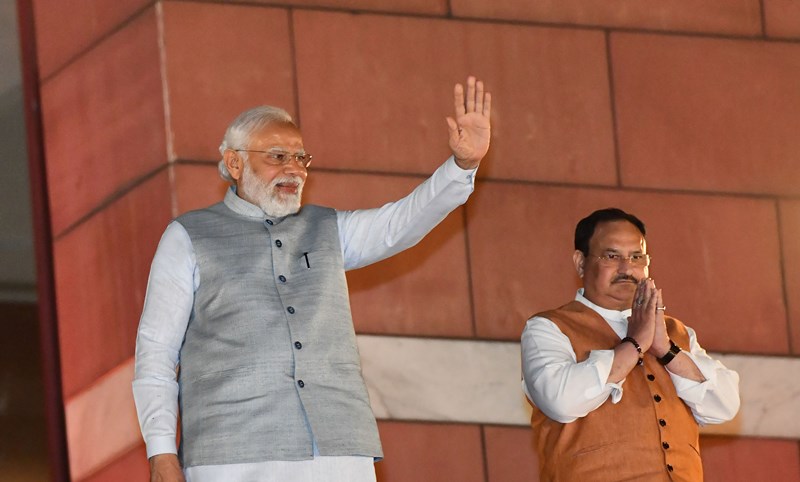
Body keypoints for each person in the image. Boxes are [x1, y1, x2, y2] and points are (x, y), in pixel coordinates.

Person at [133, 77, 491, 482]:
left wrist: (462, 166)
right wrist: (161, 454)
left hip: (339, 453)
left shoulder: (328, 228)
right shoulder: (187, 236)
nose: (294, 169)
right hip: (232, 455)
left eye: (301, 158)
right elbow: (156, 354)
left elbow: (400, 223)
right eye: (278, 156)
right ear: (235, 163)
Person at [521, 208, 740, 482]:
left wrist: (666, 350)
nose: (627, 269)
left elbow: (725, 407)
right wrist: (635, 343)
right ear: (580, 263)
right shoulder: (549, 328)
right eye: (612, 256)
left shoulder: (676, 333)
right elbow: (560, 401)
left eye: (636, 257)